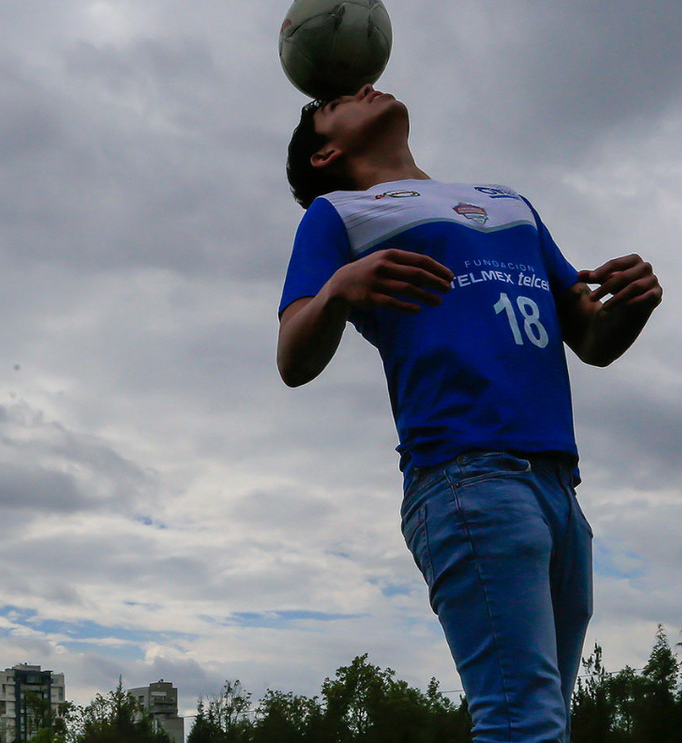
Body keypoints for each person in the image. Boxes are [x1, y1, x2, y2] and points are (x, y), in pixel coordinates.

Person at [276, 84, 662, 743]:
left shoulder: (508, 203)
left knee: (537, 720)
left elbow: (592, 339)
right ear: (325, 153)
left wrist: (631, 304)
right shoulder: (338, 214)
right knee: (525, 722)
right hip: (465, 477)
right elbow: (292, 357)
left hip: (558, 490)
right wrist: (339, 287)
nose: (365, 85)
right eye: (333, 102)